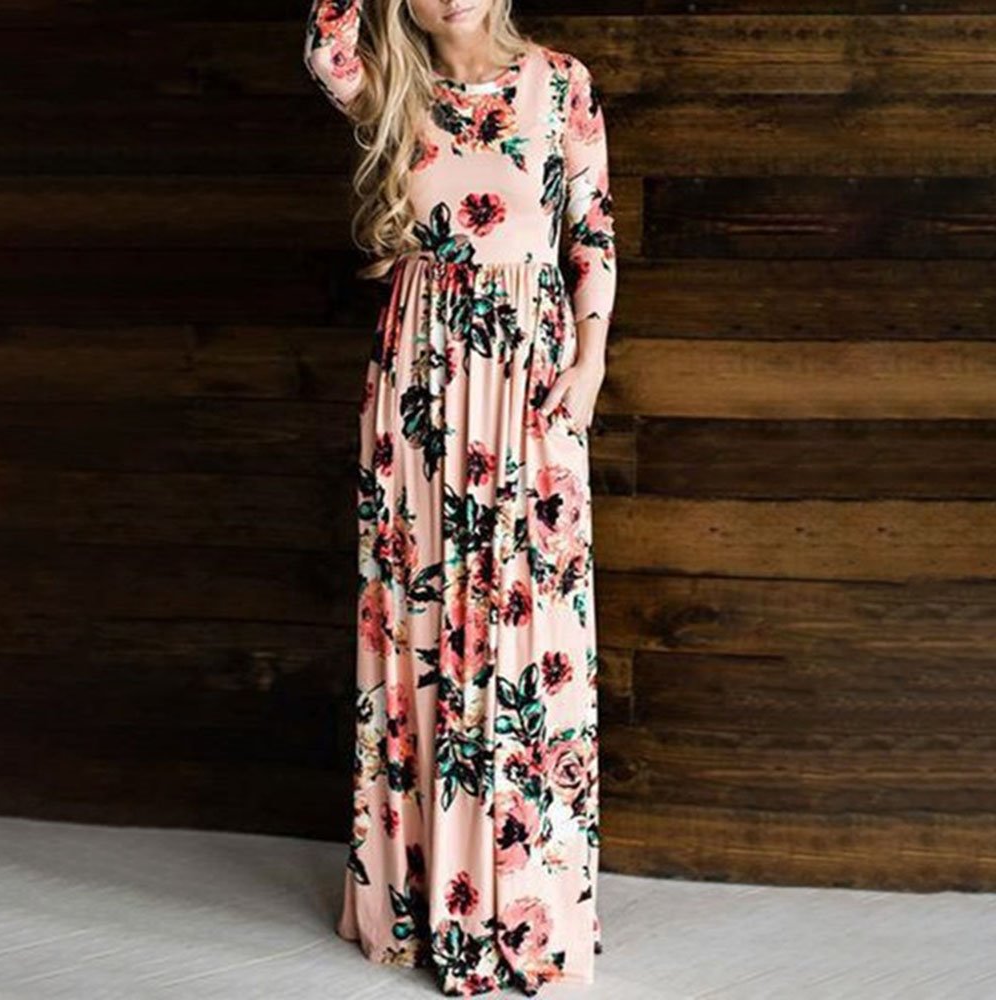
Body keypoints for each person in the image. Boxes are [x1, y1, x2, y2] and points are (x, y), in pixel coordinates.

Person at [303, 1, 617, 994]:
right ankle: (420, 897)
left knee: (529, 624)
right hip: (420, 377)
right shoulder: (391, 88)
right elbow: (326, 45)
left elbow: (591, 231)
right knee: (418, 614)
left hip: (530, 371)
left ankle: (520, 902)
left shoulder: (560, 83)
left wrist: (590, 364)